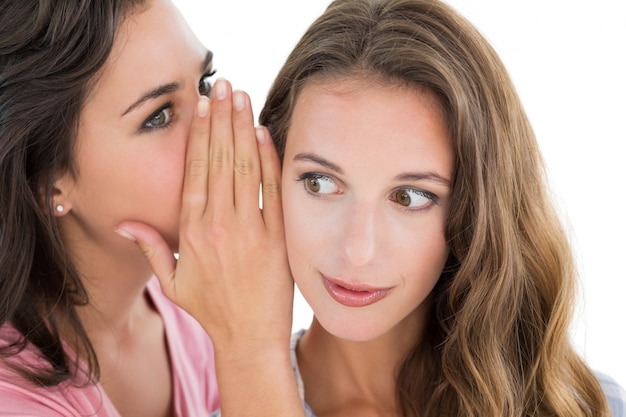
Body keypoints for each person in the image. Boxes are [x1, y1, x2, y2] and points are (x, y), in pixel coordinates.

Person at [255, 0, 625, 415]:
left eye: (410, 197)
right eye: (320, 183)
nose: (357, 250)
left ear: (474, 209)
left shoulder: (584, 406)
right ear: (267, 170)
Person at [0, 0, 304, 416]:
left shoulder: (195, 311)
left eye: (204, 83)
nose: (215, 122)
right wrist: (250, 351)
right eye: (158, 116)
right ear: (48, 181)